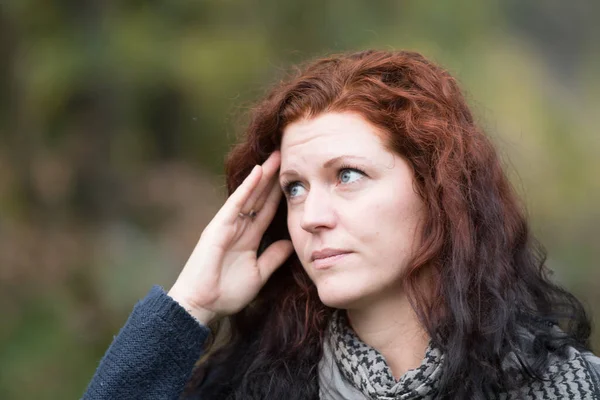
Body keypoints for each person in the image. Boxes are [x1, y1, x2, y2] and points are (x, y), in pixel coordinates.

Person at [82, 50, 600, 400]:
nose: (312, 217)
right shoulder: (247, 387)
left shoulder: (562, 387)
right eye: (295, 188)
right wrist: (191, 305)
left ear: (438, 189)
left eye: (347, 175)